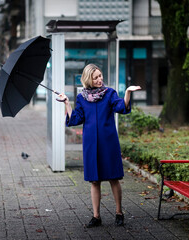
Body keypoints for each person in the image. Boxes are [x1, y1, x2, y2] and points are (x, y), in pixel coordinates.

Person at [59, 64, 141, 228]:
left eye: (100, 76)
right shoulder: (82, 98)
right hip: (90, 143)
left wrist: (128, 93)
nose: (100, 79)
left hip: (108, 142)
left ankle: (119, 213)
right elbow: (75, 119)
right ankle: (96, 216)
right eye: (96, 77)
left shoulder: (110, 93)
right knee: (94, 181)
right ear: (88, 79)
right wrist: (67, 103)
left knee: (113, 178)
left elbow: (121, 107)